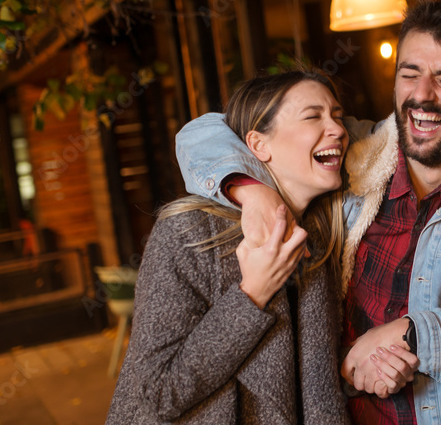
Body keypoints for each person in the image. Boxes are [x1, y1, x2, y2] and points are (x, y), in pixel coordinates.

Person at [175, 2, 441, 424]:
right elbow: (202, 133)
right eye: (410, 74)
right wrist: (253, 192)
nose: (422, 94)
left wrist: (417, 335)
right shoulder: (351, 152)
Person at [105, 70, 415, 424]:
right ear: (258, 145)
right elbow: (158, 395)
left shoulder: (322, 231)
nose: (338, 130)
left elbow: (299, 382)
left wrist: (359, 367)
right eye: (313, 116)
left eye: (337, 115)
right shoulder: (189, 231)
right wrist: (251, 295)